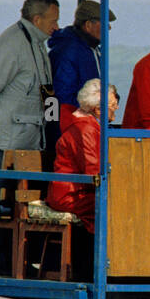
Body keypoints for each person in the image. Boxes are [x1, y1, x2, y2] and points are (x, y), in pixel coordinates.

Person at [0, 0, 60, 275]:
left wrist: (52, 128)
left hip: (30, 145)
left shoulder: (38, 47)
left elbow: (48, 94)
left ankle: (15, 263)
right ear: (37, 18)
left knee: (22, 206)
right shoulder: (11, 44)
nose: (57, 26)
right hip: (2, 143)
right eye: (53, 20)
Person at [46, 79, 117, 280]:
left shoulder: (89, 126)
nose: (117, 108)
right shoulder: (85, 129)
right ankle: (97, 269)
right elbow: (92, 169)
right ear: (97, 110)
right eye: (112, 105)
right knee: (112, 208)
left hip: (80, 189)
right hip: (71, 193)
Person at [48, 0, 116, 133]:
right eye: (104, 23)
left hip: (85, 124)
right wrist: (96, 106)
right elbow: (63, 96)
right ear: (88, 25)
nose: (109, 28)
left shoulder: (91, 50)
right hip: (72, 128)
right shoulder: (69, 52)